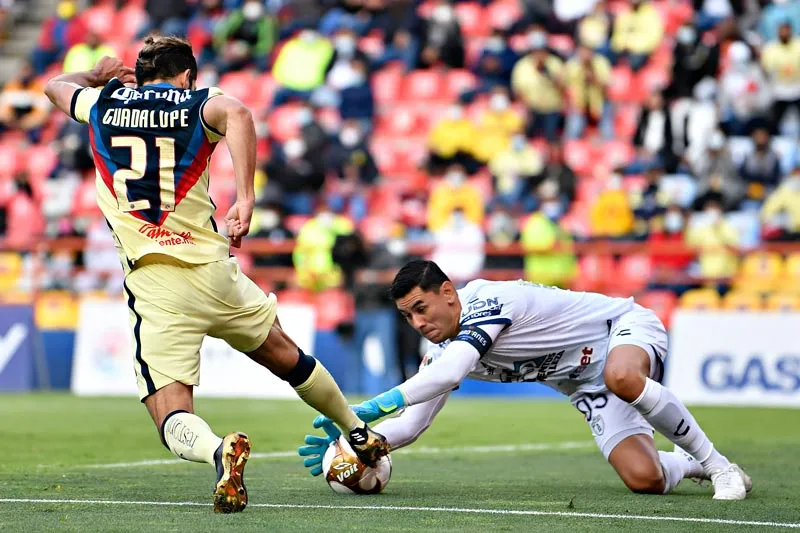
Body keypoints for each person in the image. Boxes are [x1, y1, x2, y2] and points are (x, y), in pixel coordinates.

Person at [43, 37, 388, 513]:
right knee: (287, 355)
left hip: (155, 282)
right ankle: (356, 429)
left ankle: (217, 450)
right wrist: (245, 198)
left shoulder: (102, 102)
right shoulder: (195, 101)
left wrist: (97, 74)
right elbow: (240, 115)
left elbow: (53, 87)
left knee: (170, 412)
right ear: (186, 75)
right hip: (212, 270)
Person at [299, 260, 753, 501]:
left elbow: (453, 371)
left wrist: (370, 407)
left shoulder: (488, 303)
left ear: (448, 294)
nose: (417, 322)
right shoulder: (439, 350)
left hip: (620, 329)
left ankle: (719, 466)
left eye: (422, 308)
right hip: (582, 382)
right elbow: (412, 425)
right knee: (645, 479)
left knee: (621, 376)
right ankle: (691, 464)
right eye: (407, 316)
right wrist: (357, 439)